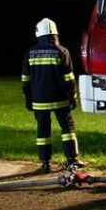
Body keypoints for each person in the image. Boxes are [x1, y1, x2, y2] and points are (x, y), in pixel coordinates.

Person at [21, 18, 81, 174]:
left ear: (38, 33)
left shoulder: (30, 53)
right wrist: (73, 96)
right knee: (67, 128)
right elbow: (69, 78)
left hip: (39, 100)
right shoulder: (62, 51)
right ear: (55, 34)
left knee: (43, 131)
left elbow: (25, 80)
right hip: (60, 99)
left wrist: (28, 99)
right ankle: (72, 160)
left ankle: (45, 163)